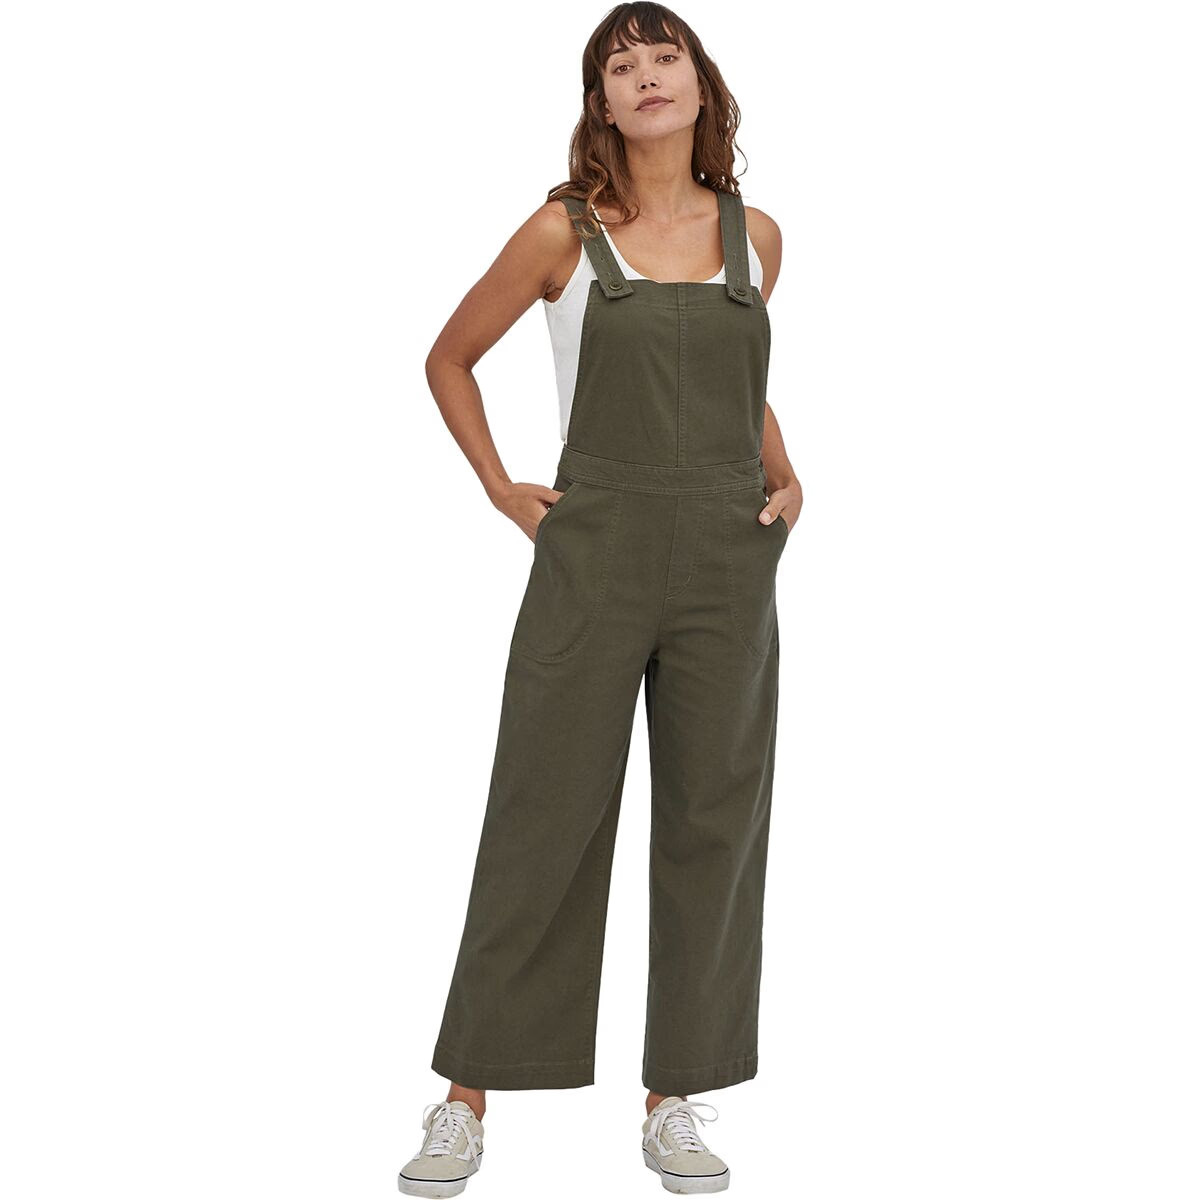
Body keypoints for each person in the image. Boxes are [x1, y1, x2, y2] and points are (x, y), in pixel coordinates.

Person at [400, 5, 802, 1195]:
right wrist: (500, 488)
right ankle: (466, 1096)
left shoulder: (756, 235)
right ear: (603, 105)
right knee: (544, 811)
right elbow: (447, 358)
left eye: (664, 55)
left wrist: (787, 471)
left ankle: (676, 1096)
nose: (646, 76)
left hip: (728, 558)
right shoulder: (561, 233)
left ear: (700, 83)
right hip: (595, 550)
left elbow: (741, 385)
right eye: (621, 66)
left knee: (714, 821)